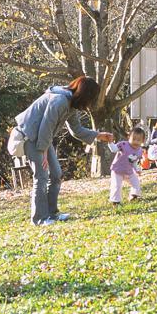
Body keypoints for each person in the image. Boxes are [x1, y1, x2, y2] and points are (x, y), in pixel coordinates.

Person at [15, 76, 113, 225]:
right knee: (41, 177)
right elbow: (45, 128)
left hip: (43, 139)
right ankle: (40, 219)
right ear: (85, 94)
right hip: (30, 137)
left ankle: (52, 214)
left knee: (56, 175)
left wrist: (98, 135)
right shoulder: (59, 101)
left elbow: (76, 130)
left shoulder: (71, 104)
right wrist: (43, 152)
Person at [108, 127, 145, 204]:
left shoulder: (140, 151)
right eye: (133, 139)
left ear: (142, 141)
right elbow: (114, 149)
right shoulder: (123, 145)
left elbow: (134, 161)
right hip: (117, 170)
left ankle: (133, 195)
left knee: (136, 182)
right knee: (116, 186)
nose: (135, 141)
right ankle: (115, 201)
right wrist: (110, 142)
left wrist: (137, 169)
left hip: (128, 171)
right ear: (129, 137)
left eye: (138, 140)